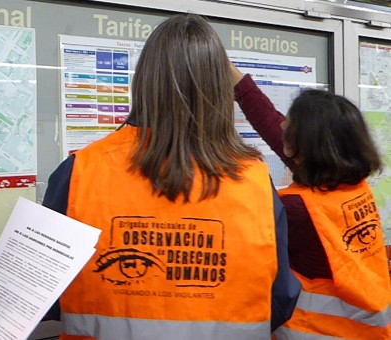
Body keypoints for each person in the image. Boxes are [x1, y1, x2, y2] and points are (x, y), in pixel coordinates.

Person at [43, 13, 300, 339]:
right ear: (219, 89)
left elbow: (46, 296)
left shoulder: (80, 172)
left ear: (144, 81)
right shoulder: (254, 181)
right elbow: (280, 300)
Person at [232, 64, 391, 338]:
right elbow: (271, 124)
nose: (281, 125)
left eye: (288, 125)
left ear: (298, 145)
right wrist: (233, 76)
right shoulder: (353, 187)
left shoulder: (297, 211)